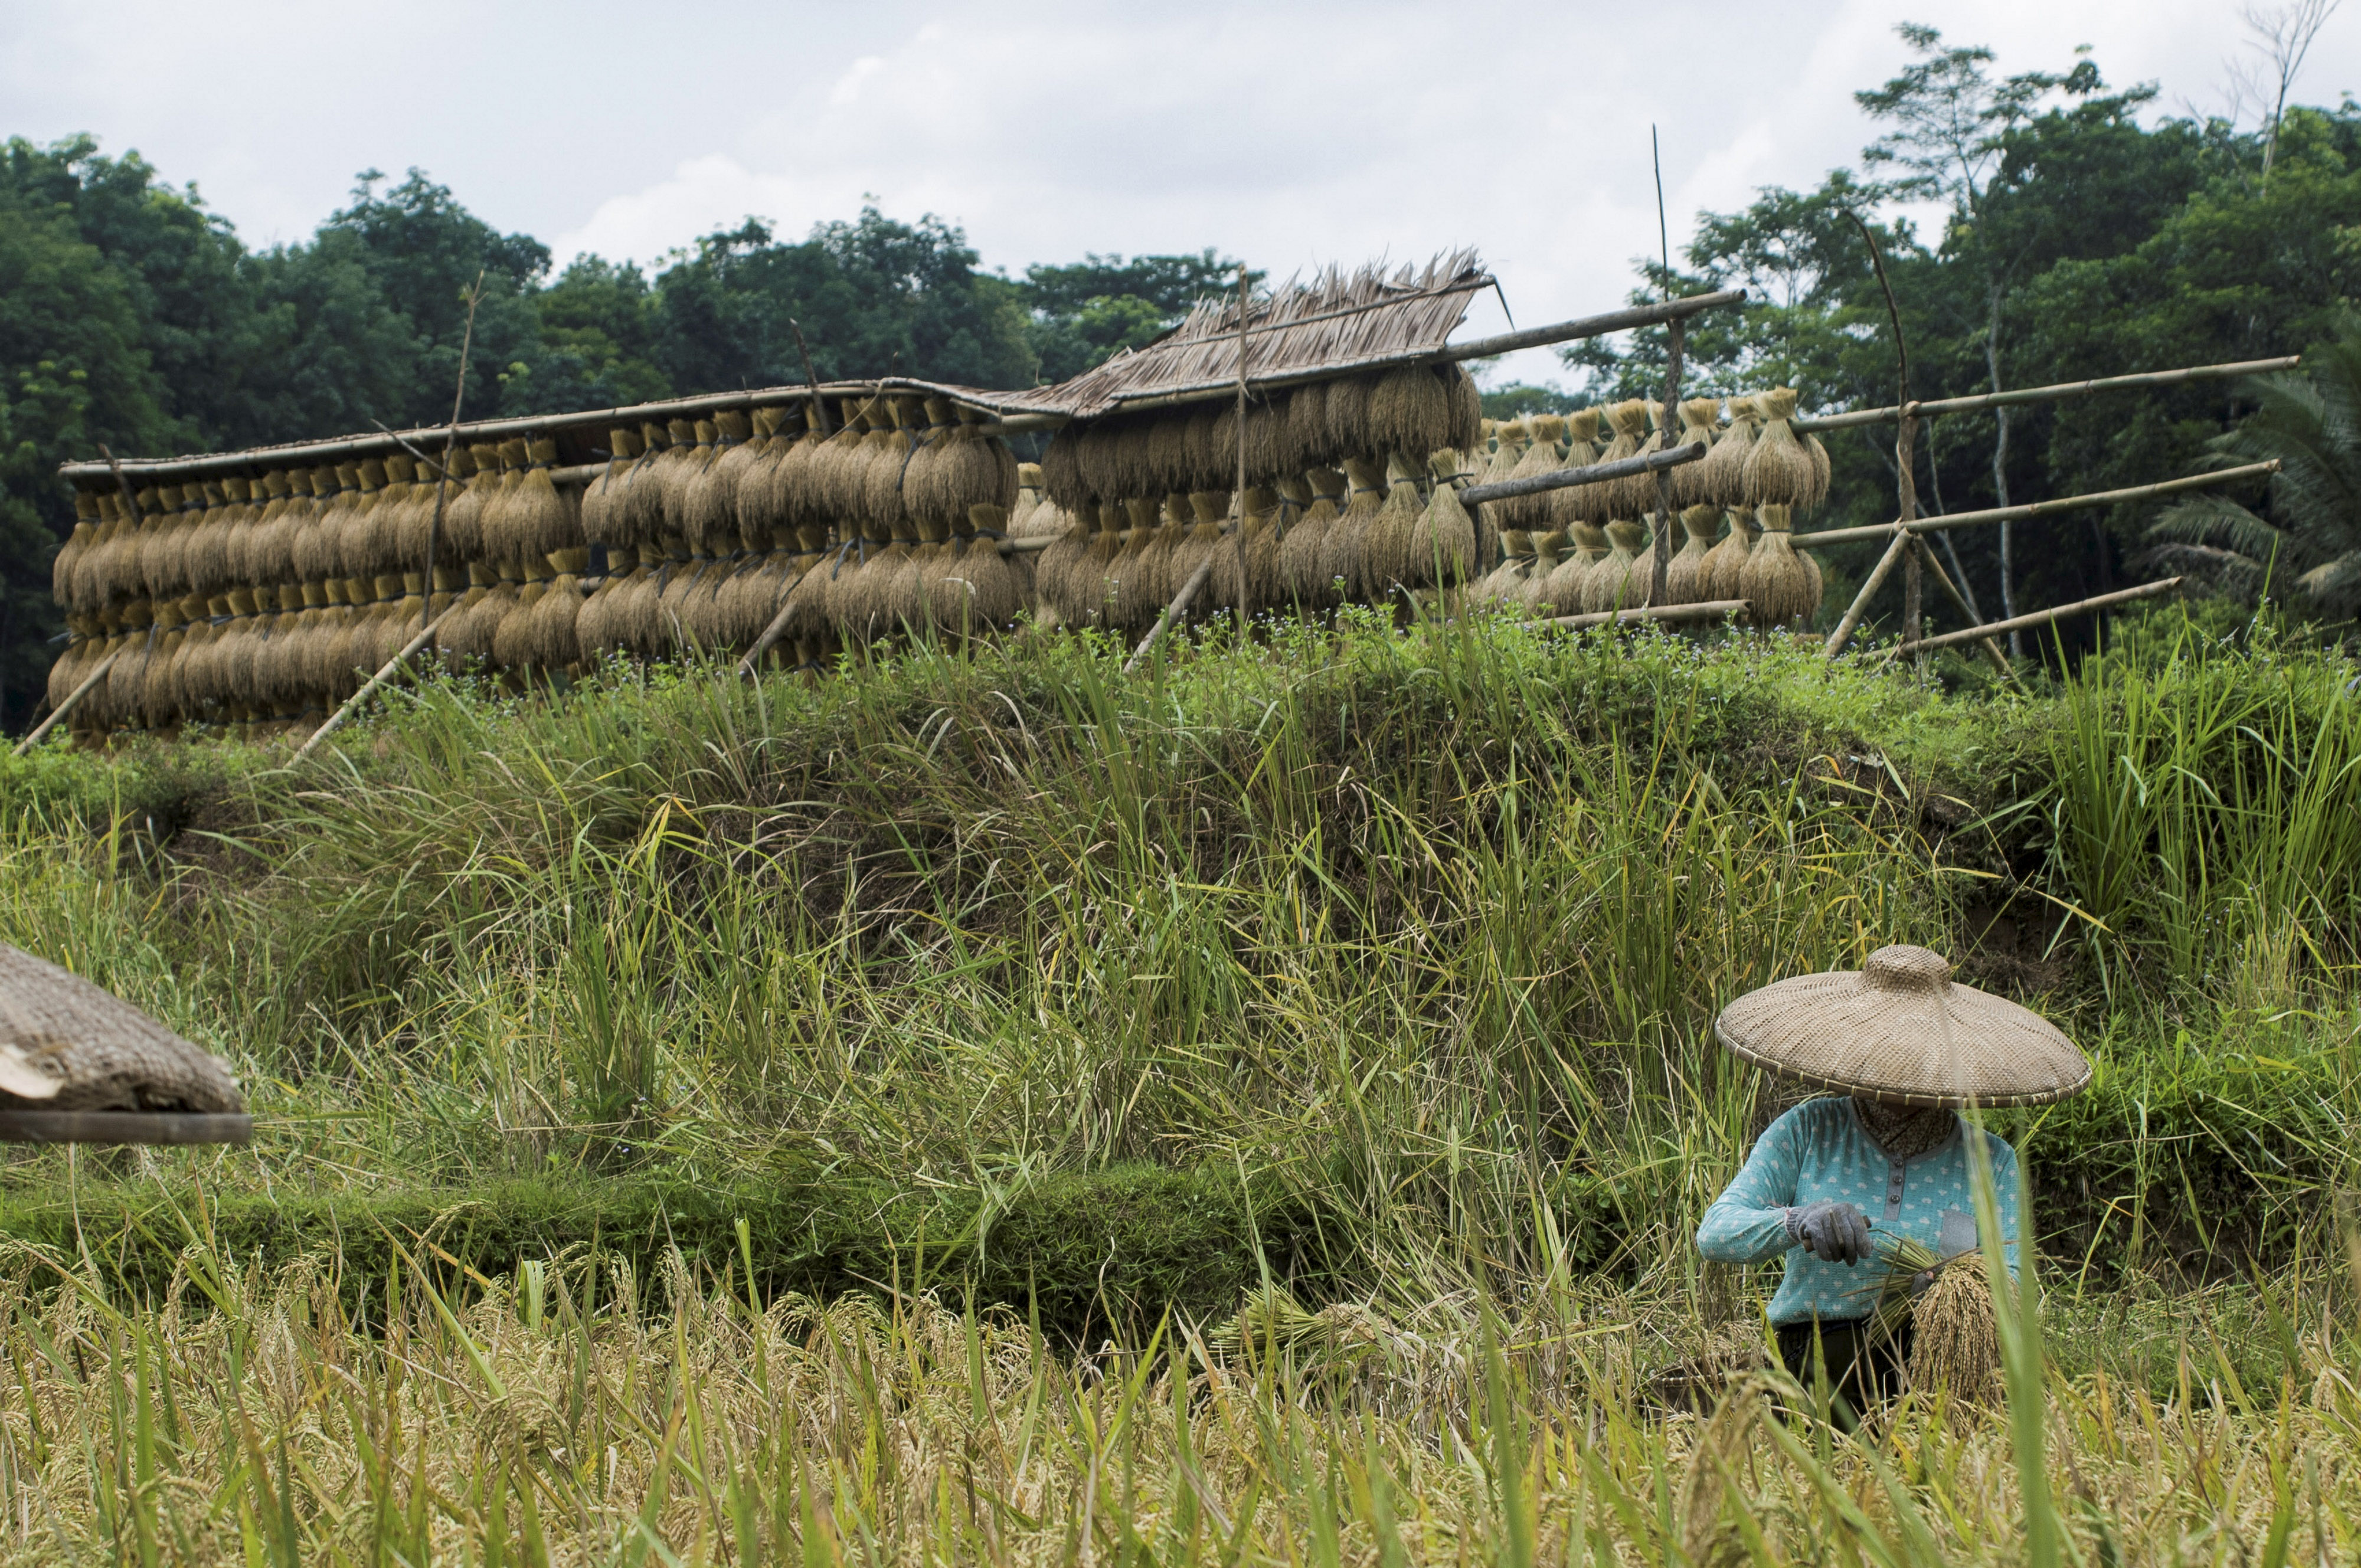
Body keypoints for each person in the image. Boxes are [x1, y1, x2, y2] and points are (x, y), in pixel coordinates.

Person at [1695, 944, 2089, 1416]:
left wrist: (1959, 1288)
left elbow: (2015, 1284)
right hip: (1819, 1358)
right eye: (1888, 1047)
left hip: (1939, 1370)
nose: (1901, 1064)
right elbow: (1716, 1232)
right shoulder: (1809, 1130)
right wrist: (1797, 1221)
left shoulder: (1993, 1163)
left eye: (1918, 1050)